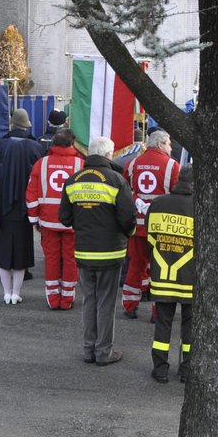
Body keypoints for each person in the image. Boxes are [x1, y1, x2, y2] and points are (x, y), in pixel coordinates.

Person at [60, 136, 135, 366]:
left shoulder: (73, 181)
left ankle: (88, 349)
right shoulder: (116, 180)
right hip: (110, 252)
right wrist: (127, 234)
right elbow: (128, 219)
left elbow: (64, 218)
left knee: (89, 300)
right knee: (106, 302)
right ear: (109, 154)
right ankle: (104, 352)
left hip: (84, 251)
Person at [0, 109, 41, 303]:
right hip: (24, 212)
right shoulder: (35, 149)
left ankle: (6, 293)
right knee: (22, 254)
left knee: (3, 254)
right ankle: (16, 293)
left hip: (3, 212)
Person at [122, 129, 181, 317]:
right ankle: (157, 312)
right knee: (160, 268)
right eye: (169, 144)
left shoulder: (133, 164)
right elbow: (177, 194)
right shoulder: (172, 166)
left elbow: (124, 190)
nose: (171, 148)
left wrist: (137, 199)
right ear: (161, 144)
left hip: (138, 225)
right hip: (161, 226)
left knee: (136, 264)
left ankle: (129, 306)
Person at [146, 165, 196, 383]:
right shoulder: (200, 207)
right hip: (189, 277)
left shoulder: (157, 204)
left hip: (162, 276)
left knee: (163, 323)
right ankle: (187, 369)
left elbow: (149, 238)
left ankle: (160, 369)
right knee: (190, 326)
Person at [26, 128, 82, 309]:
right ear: (72, 143)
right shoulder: (80, 164)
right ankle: (67, 299)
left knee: (51, 259)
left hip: (48, 221)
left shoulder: (41, 164)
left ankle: (53, 298)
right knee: (70, 259)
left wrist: (34, 219)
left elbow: (31, 193)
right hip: (72, 222)